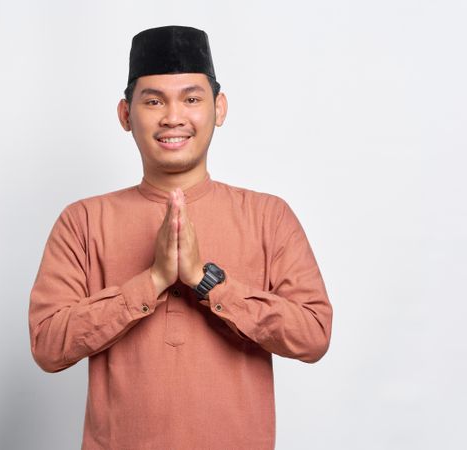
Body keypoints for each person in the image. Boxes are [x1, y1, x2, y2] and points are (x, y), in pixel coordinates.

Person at [28, 25, 333, 450]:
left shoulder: (268, 216)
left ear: (219, 108)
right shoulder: (82, 221)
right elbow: (47, 344)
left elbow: (314, 334)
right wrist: (151, 281)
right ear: (125, 114)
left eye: (191, 99)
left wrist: (207, 282)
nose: (173, 116)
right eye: (153, 101)